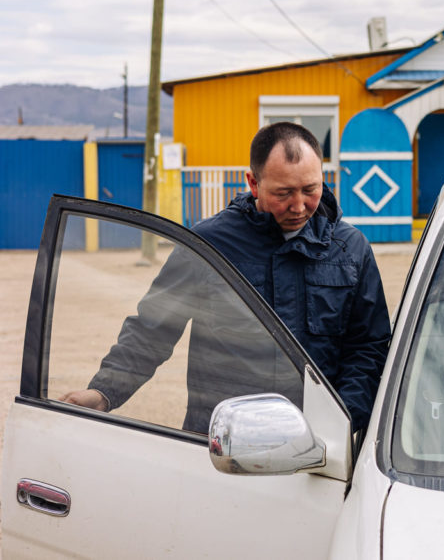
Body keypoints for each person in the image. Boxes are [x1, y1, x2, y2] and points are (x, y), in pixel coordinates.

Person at [61, 122, 392, 432]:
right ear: (253, 183)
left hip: (315, 448)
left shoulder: (351, 249)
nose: (299, 206)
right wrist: (103, 392)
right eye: (283, 193)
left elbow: (368, 347)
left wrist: (341, 422)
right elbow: (153, 329)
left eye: (310, 189)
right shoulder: (209, 245)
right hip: (220, 444)